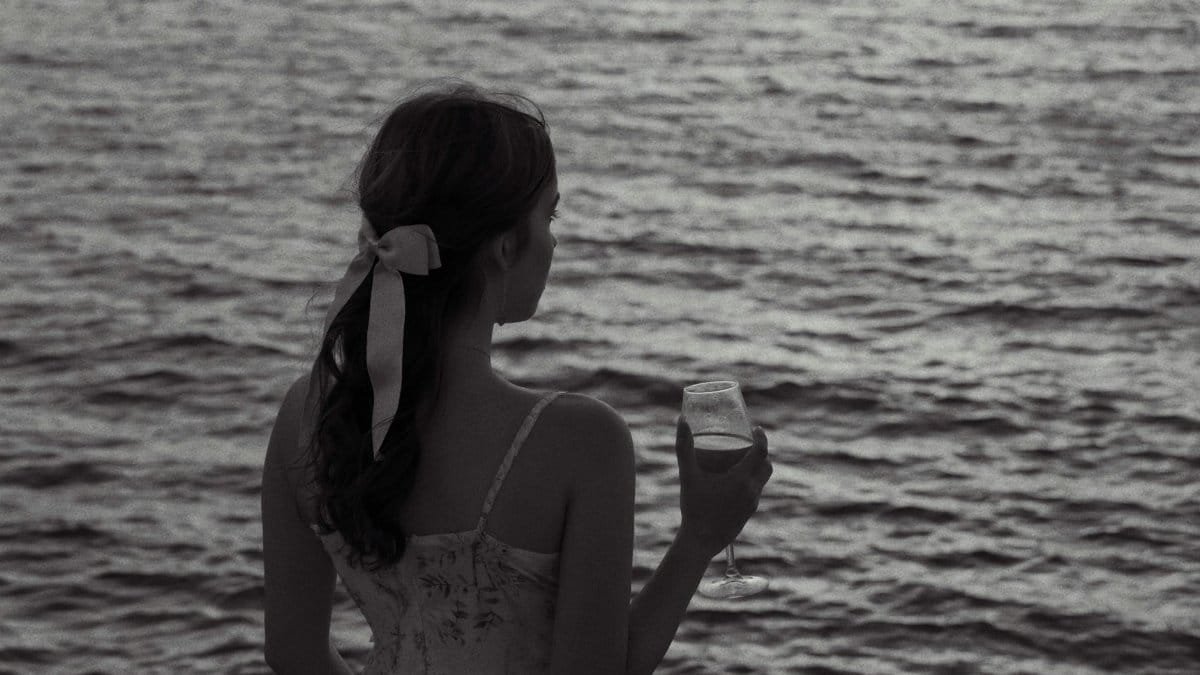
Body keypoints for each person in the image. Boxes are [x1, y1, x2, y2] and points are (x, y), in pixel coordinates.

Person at [260, 82, 773, 675]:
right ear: (505, 245)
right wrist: (700, 538)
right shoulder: (579, 438)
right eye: (549, 214)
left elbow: (292, 654)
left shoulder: (306, 411)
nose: (553, 238)